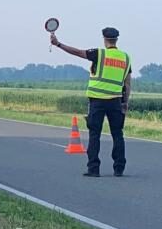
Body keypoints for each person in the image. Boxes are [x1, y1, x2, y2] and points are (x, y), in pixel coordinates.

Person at [51, 27, 131, 177]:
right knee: (117, 134)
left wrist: (58, 44)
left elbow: (77, 52)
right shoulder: (125, 58)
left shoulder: (99, 54)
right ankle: (119, 168)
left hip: (97, 100)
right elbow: (127, 84)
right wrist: (125, 102)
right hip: (115, 101)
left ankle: (93, 169)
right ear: (116, 39)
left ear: (104, 38)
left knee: (95, 135)